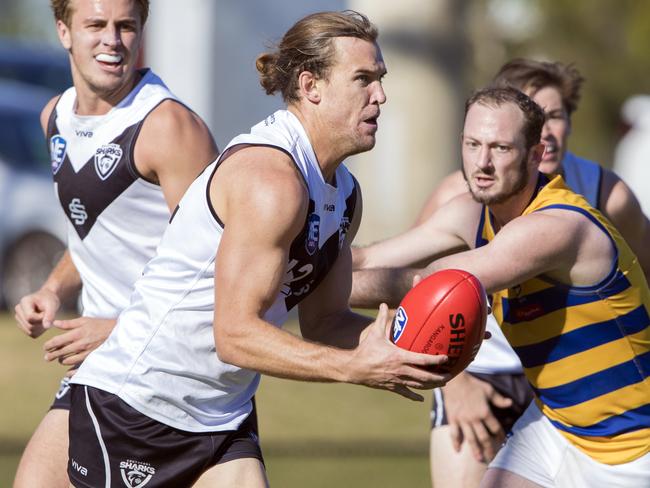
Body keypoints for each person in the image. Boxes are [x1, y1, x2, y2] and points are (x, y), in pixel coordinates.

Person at [65, 11, 449, 488]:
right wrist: (353, 368)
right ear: (311, 86)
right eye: (364, 80)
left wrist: (410, 351)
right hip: (138, 410)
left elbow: (325, 321)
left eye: (381, 79)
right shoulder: (271, 181)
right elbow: (235, 334)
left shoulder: (345, 195)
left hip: (221, 418)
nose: (381, 95)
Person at [353, 58, 650, 488]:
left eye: (500, 149)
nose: (482, 163)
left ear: (535, 155)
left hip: (631, 445)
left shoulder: (558, 226)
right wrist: (291, 260)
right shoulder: (471, 212)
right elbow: (366, 261)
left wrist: (303, 288)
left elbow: (435, 285)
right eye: (473, 145)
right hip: (557, 422)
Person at [12, 1, 218, 487]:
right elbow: (93, 232)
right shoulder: (55, 118)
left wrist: (120, 328)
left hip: (173, 380)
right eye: (96, 25)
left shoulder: (169, 128)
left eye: (126, 26)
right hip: (104, 373)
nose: (113, 39)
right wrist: (52, 288)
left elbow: (222, 269)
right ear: (63, 31)